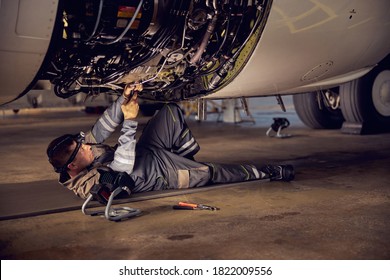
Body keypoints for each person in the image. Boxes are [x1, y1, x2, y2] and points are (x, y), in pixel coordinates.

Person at [47, 84, 295, 199]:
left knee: (171, 112)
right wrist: (131, 121)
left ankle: (185, 158)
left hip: (149, 152)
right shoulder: (91, 183)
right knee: (216, 172)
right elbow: (123, 165)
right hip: (162, 174)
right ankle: (268, 173)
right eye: (81, 149)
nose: (88, 145)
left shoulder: (81, 154)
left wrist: (122, 101)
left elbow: (102, 127)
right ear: (72, 166)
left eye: (83, 143)